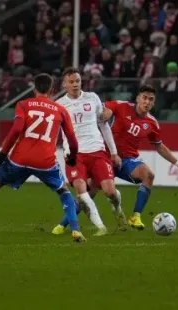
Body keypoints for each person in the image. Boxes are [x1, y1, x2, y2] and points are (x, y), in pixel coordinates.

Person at [0, 73, 86, 242]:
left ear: (34, 88)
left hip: (19, 159)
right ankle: (75, 230)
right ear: (52, 90)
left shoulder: (23, 104)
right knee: (64, 192)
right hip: (45, 161)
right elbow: (72, 141)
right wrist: (72, 156)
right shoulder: (61, 110)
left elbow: (16, 130)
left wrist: (1, 157)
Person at [101, 85, 178, 229]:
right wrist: (105, 112)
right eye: (144, 98)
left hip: (128, 160)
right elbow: (101, 108)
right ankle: (64, 224)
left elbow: (159, 146)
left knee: (149, 175)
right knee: (89, 189)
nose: (147, 102)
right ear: (138, 98)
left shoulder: (152, 123)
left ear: (154, 103)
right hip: (106, 156)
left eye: (151, 99)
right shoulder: (121, 106)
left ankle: (136, 217)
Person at [51, 67, 127, 237]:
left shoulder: (92, 98)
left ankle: (117, 209)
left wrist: (114, 152)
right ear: (65, 84)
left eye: (77, 81)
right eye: (71, 82)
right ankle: (101, 227)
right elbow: (54, 132)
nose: (75, 84)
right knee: (81, 191)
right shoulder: (59, 105)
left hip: (97, 151)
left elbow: (104, 125)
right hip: (74, 154)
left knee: (110, 192)